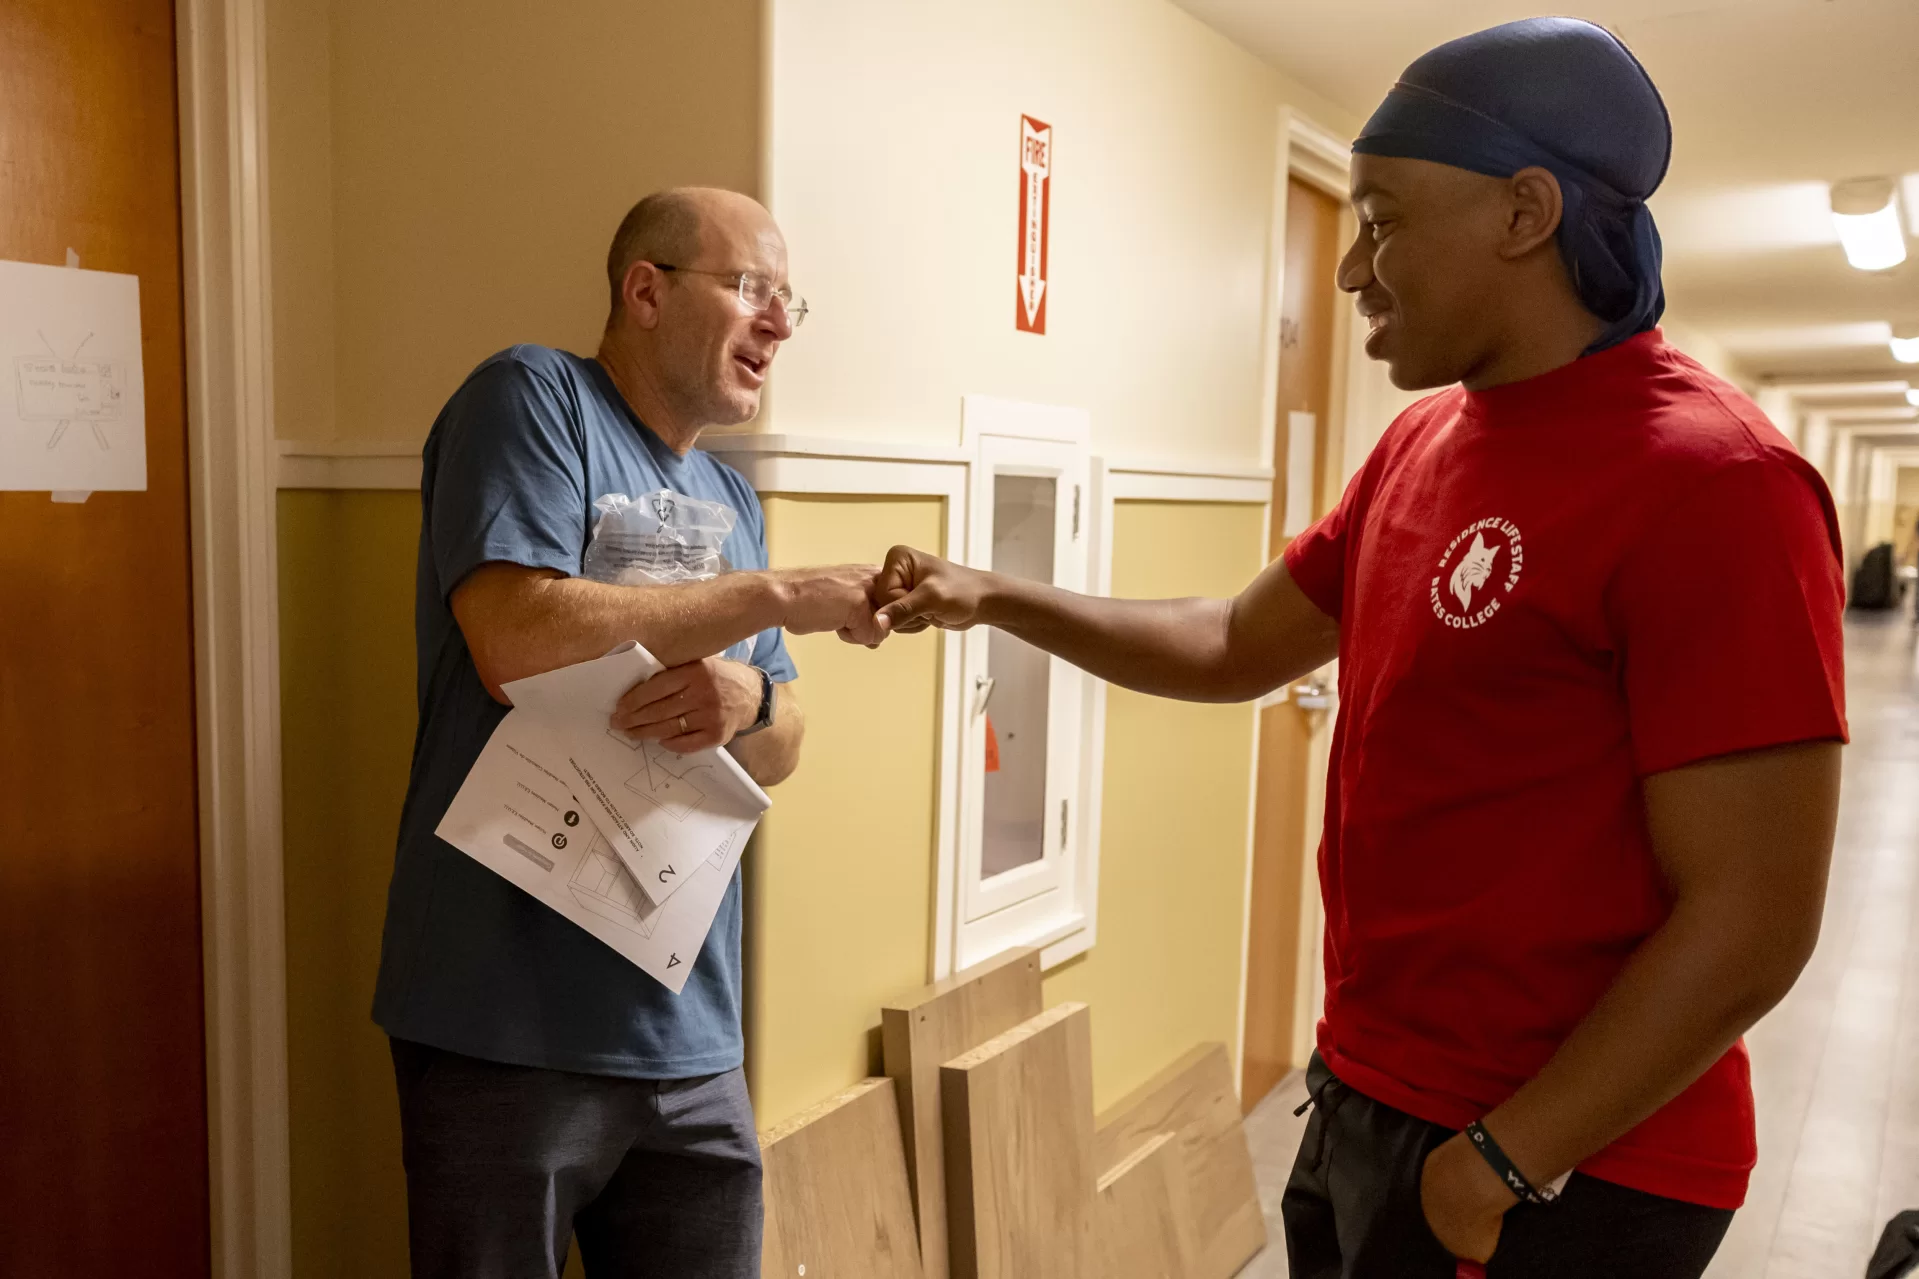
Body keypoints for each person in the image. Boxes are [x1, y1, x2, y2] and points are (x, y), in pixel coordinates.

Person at [864, 19, 1846, 1278]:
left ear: (1522, 213)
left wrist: (1496, 1164)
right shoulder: (1423, 443)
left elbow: (1753, 919)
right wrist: (994, 592)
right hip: (1371, 1096)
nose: (1347, 272)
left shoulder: (1716, 486)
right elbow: (1228, 640)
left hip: (1568, 1163)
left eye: (1379, 218)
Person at [372, 187, 883, 1279]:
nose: (780, 323)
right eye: (752, 289)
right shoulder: (531, 399)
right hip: (502, 1024)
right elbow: (515, 638)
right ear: (643, 290)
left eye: (791, 299)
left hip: (689, 1028)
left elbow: (783, 737)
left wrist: (748, 703)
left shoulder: (728, 496)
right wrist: (780, 595)